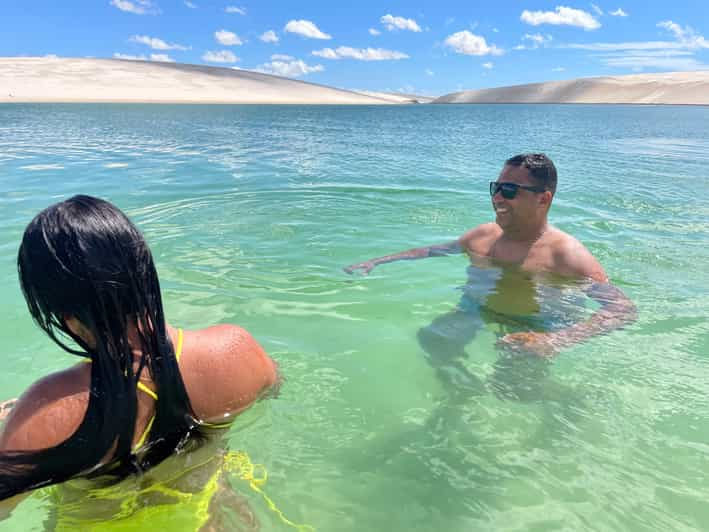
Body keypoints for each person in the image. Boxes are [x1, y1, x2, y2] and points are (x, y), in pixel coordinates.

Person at [0, 195, 279, 515]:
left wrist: (26, 420)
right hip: (209, 515)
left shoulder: (45, 413)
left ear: (68, 319)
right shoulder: (237, 349)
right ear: (144, 271)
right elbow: (274, 390)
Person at [345, 153, 637, 362]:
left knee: (516, 393)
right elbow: (435, 250)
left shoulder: (566, 255)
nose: (497, 197)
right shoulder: (482, 236)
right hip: (473, 310)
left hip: (532, 327)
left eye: (509, 190)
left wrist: (554, 341)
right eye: (495, 188)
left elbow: (623, 310)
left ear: (543, 199)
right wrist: (379, 261)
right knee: (432, 341)